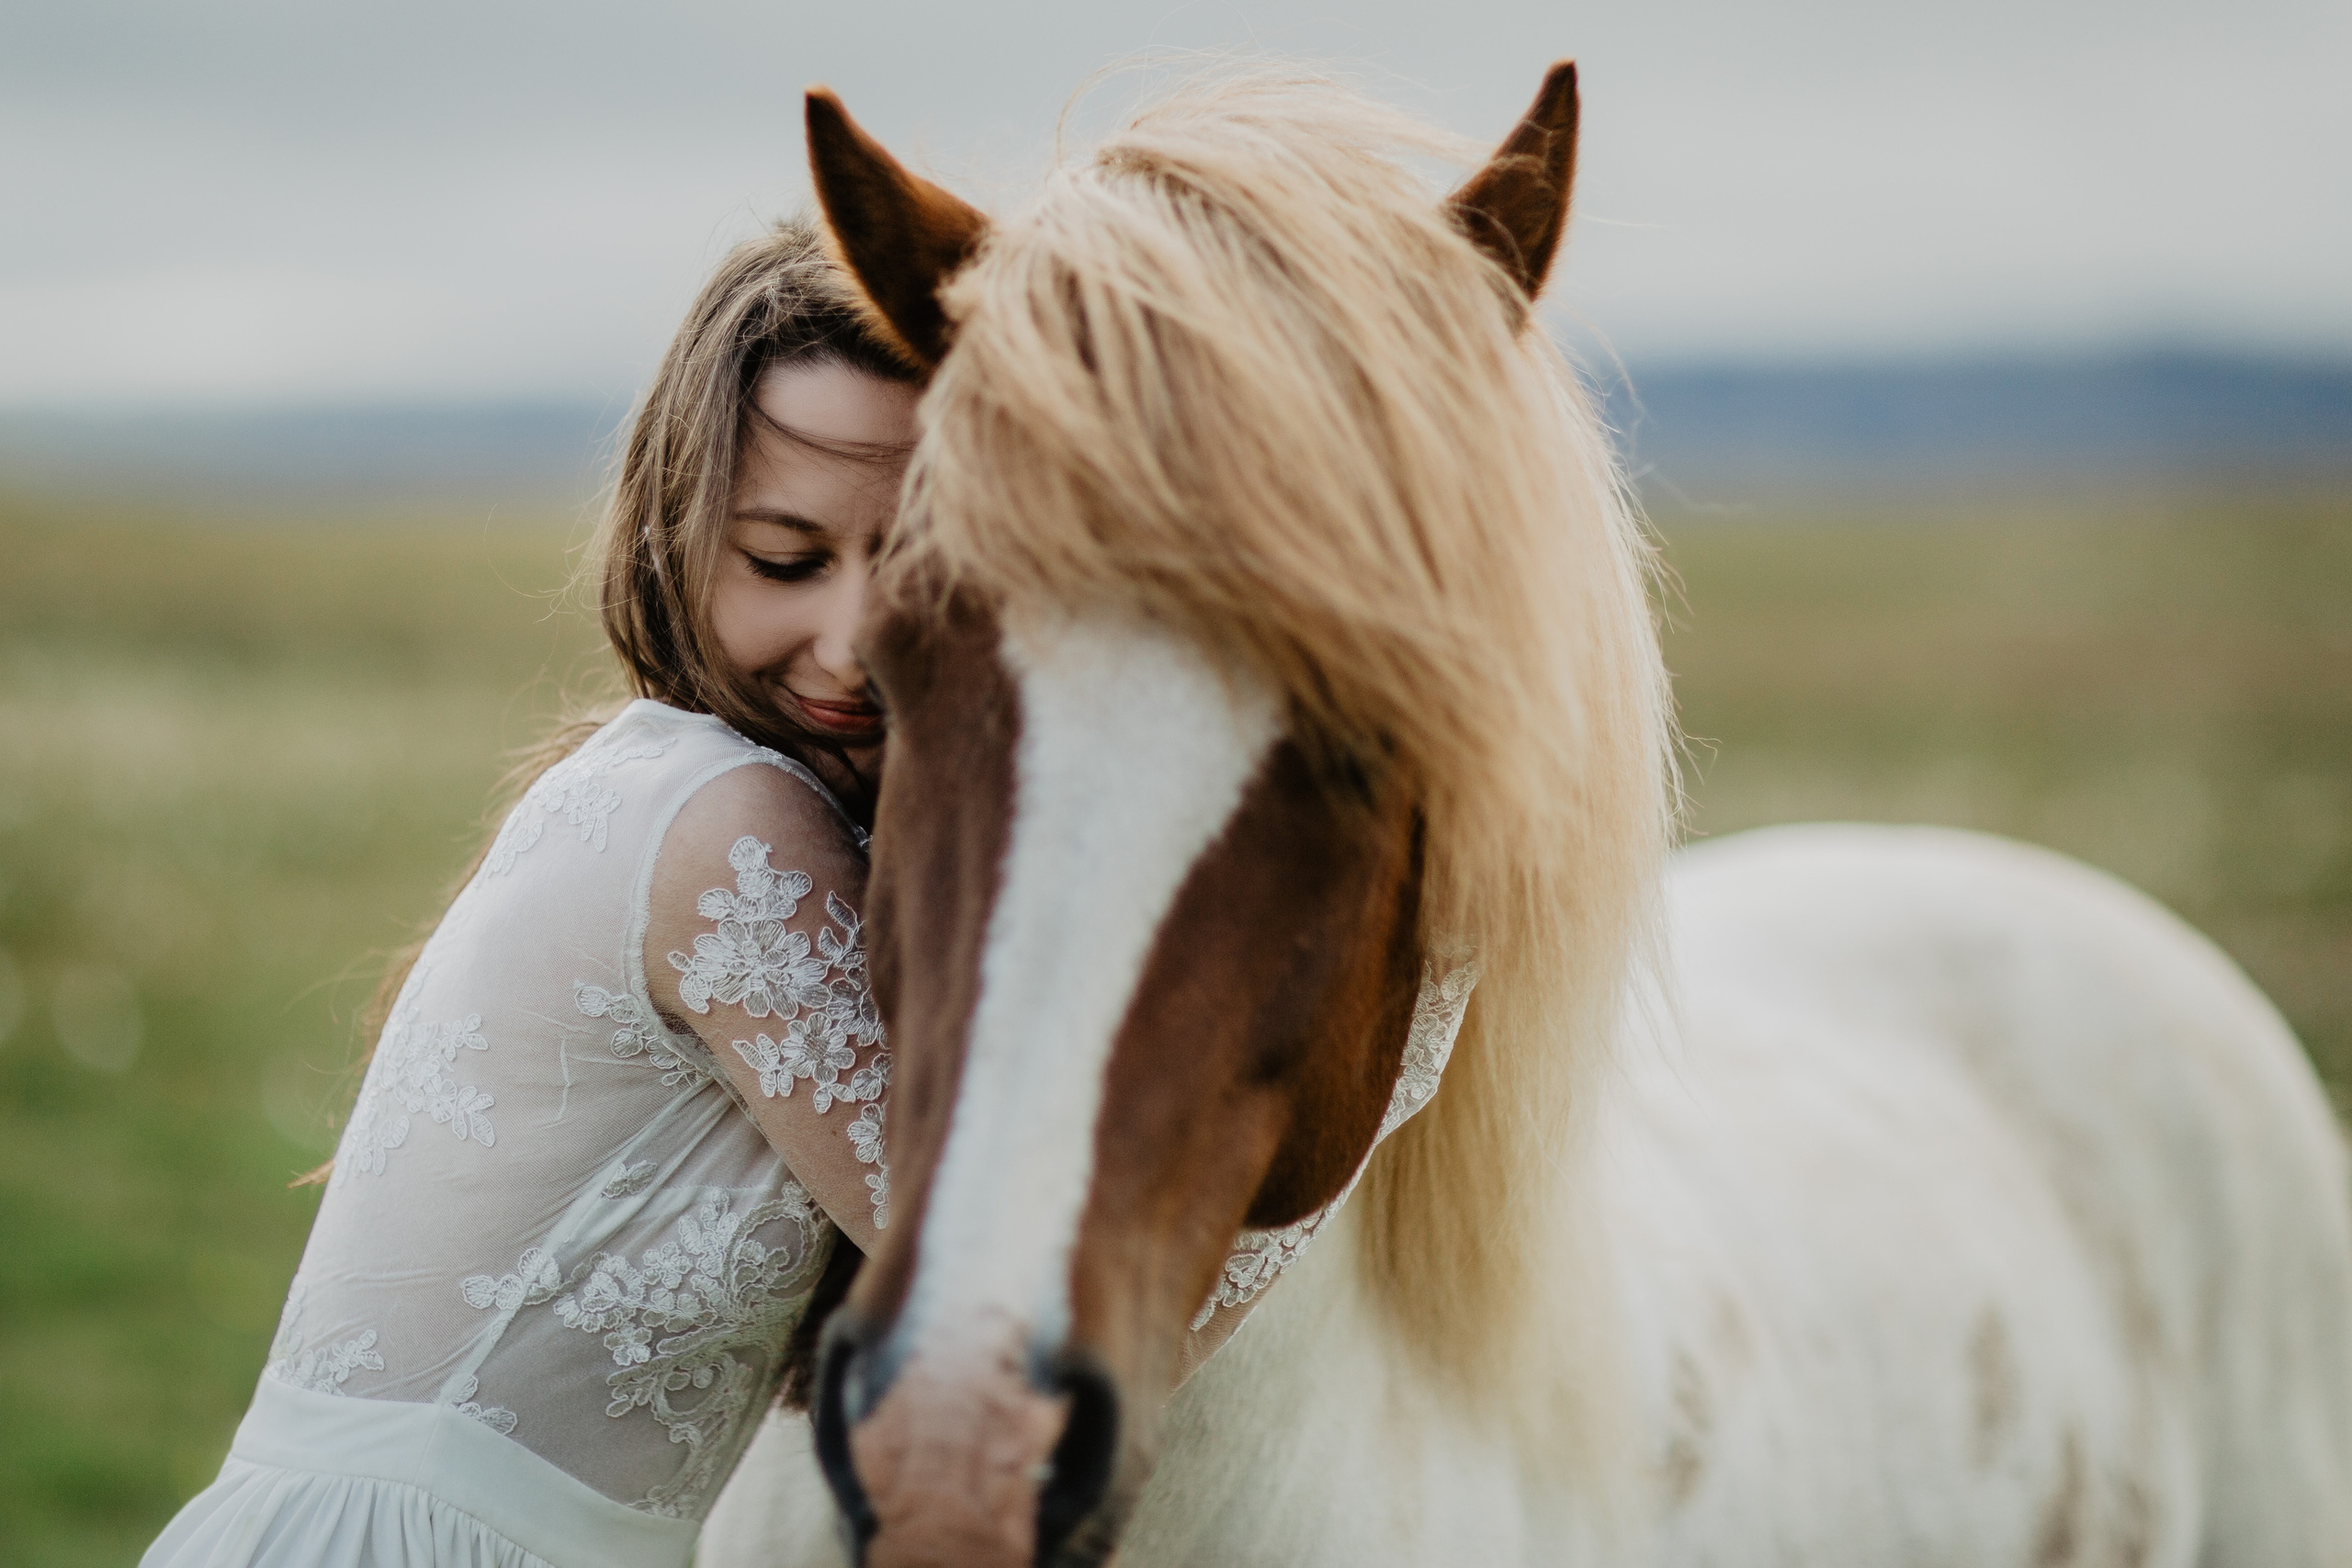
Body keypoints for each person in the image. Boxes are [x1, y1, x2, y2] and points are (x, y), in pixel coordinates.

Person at [143, 219, 919, 1568]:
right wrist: (1403, 1041)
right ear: (678, 534)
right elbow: (1013, 1313)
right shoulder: (736, 828)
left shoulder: (647, 774)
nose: (850, 641)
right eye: (785, 561)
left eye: (914, 563)